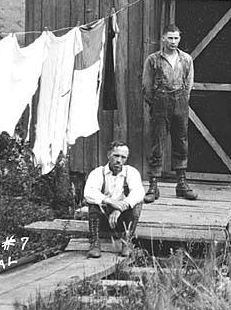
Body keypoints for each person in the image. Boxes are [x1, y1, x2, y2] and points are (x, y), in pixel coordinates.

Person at [142, 25, 197, 202]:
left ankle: (181, 184)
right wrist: (156, 102)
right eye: (170, 38)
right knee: (157, 142)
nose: (173, 42)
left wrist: (181, 100)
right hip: (160, 102)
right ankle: (153, 185)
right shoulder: (153, 60)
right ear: (163, 39)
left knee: (181, 141)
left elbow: (188, 84)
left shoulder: (186, 59)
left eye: (176, 38)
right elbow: (147, 85)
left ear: (179, 39)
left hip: (180, 101)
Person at [83, 140, 145, 258]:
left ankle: (127, 242)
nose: (119, 160)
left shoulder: (131, 172)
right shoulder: (98, 173)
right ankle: (95, 243)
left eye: (123, 157)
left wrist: (120, 208)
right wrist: (110, 201)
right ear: (108, 155)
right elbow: (89, 192)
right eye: (116, 156)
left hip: (123, 219)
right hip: (102, 218)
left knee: (137, 203)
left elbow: (138, 192)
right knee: (93, 202)